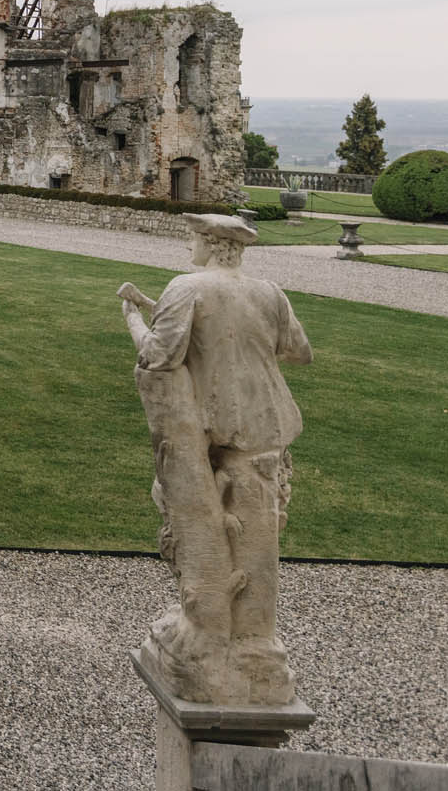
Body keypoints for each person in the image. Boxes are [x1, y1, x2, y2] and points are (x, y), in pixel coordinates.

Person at [117, 212, 311, 705]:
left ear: (209, 242)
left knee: (203, 532)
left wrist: (135, 319)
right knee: (259, 540)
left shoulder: (189, 286)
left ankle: (208, 641)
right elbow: (300, 351)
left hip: (216, 429)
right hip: (267, 431)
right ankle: (254, 648)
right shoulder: (269, 291)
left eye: (192, 238)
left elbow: (158, 357)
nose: (189, 247)